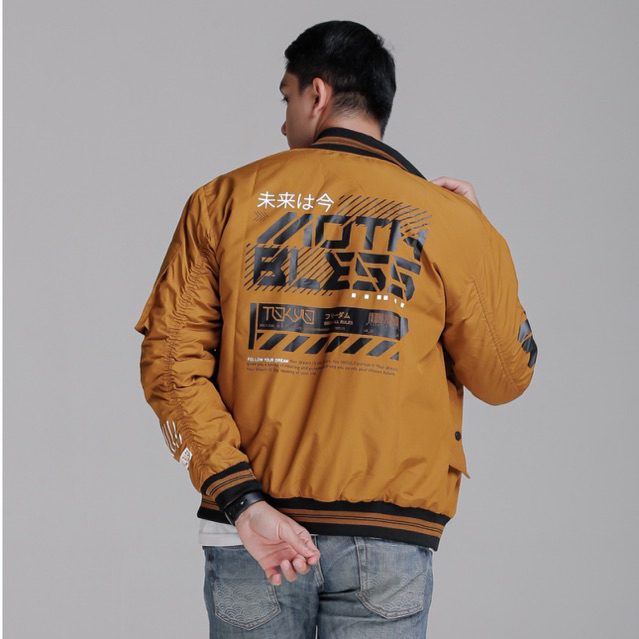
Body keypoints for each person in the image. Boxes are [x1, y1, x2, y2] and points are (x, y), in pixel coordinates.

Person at [134, 19, 538, 639]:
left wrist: (241, 499)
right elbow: (506, 376)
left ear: (316, 94)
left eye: (286, 97)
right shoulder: (450, 221)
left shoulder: (223, 201)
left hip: (250, 532)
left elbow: (169, 363)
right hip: (387, 539)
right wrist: (480, 239)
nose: (283, 122)